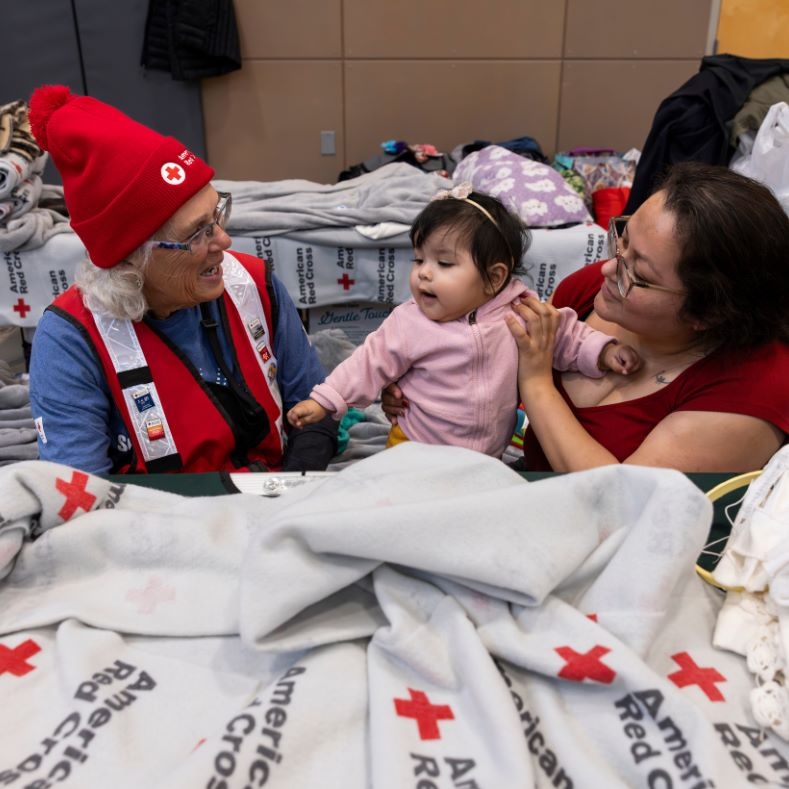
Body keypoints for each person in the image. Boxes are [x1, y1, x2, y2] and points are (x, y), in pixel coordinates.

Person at [26, 85, 337, 474]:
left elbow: (317, 405)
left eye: (217, 215)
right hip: (158, 521)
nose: (224, 240)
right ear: (131, 260)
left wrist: (292, 489)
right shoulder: (70, 340)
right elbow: (79, 488)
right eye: (198, 233)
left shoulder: (254, 283)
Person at [287, 185, 639, 459]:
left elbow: (565, 335)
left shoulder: (520, 310)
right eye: (419, 259)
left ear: (493, 278)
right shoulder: (410, 322)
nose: (424, 273)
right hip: (415, 449)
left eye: (444, 264)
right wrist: (325, 400)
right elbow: (367, 363)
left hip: (486, 455)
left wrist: (603, 350)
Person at [499, 161, 789, 472]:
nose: (608, 269)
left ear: (707, 313)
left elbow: (622, 499)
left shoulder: (753, 392)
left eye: (639, 273)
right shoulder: (589, 291)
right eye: (623, 241)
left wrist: (536, 382)